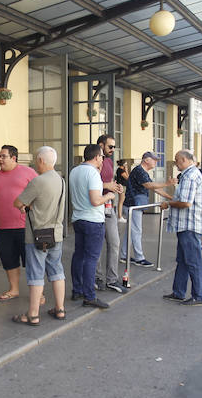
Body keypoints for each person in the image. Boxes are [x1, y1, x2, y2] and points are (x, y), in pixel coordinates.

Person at [12, 146, 67, 324]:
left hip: (37, 235)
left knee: (36, 273)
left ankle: (33, 314)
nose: (36, 162)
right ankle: (60, 309)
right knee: (57, 271)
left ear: (41, 161)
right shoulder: (61, 180)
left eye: (36, 159)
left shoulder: (38, 181)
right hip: (56, 234)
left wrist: (26, 206)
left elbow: (18, 202)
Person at [0, 145, 37, 302]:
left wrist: (32, 207)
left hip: (25, 227)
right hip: (2, 227)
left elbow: (40, 192)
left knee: (31, 261)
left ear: (14, 158)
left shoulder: (28, 172)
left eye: (3, 156)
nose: (0, 159)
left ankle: (38, 294)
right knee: (9, 260)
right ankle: (14, 290)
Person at [70, 144, 118, 309]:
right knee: (91, 258)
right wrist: (109, 195)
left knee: (79, 255)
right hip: (93, 221)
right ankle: (90, 296)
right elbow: (96, 200)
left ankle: (77, 289)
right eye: (102, 157)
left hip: (78, 218)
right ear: (97, 157)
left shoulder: (74, 171)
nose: (103, 160)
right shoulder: (93, 174)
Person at [160, 150, 202, 306]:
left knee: (193, 261)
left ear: (185, 160)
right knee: (183, 260)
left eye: (177, 161)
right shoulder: (190, 175)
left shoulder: (190, 176)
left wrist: (168, 203)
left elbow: (186, 202)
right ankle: (179, 292)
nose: (175, 164)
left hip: (190, 226)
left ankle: (198, 296)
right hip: (186, 225)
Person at [120, 151, 173, 267]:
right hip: (132, 205)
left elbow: (154, 187)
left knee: (131, 231)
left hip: (133, 205)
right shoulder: (139, 171)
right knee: (136, 231)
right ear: (146, 160)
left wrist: (170, 197)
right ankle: (139, 257)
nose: (155, 162)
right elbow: (149, 186)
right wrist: (167, 184)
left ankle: (124, 255)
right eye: (154, 159)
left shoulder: (142, 172)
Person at [94, 134, 125, 293]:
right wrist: (108, 186)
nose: (113, 149)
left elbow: (108, 182)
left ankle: (112, 279)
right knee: (98, 244)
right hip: (97, 206)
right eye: (110, 146)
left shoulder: (109, 161)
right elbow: (90, 183)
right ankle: (97, 277)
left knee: (114, 243)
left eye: (114, 147)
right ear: (101, 145)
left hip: (109, 206)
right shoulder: (94, 161)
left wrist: (116, 186)